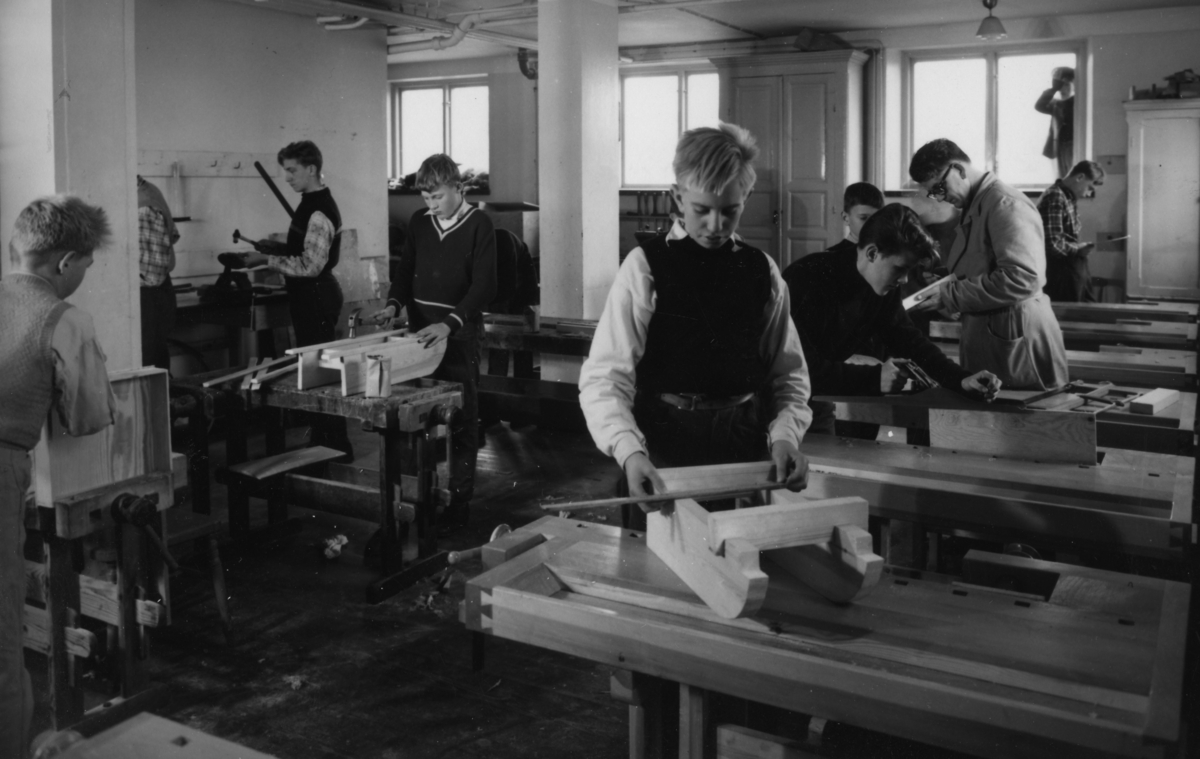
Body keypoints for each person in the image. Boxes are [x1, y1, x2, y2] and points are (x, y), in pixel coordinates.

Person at [578, 123, 812, 513]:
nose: (716, 226)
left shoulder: (762, 270)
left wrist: (786, 437)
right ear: (678, 197)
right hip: (662, 446)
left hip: (743, 444)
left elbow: (787, 375)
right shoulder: (644, 267)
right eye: (702, 210)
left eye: (730, 210)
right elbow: (606, 377)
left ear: (746, 197)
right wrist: (629, 451)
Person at [1, 196, 116, 759]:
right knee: (3, 648)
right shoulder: (64, 319)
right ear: (66, 262)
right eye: (86, 266)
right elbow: (88, 417)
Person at [784, 203, 1001, 436]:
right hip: (777, 403)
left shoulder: (882, 286)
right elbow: (798, 369)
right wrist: (874, 378)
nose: (905, 280)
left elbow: (910, 342)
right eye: (899, 268)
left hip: (815, 398)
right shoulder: (807, 278)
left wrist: (962, 379)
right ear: (872, 254)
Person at [381, 154, 497, 532]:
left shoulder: (479, 224)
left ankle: (459, 501)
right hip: (421, 334)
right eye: (426, 198)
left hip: (459, 334)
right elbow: (405, 270)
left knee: (461, 418)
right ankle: (415, 499)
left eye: (438, 197)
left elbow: (484, 286)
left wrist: (450, 324)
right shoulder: (420, 221)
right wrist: (394, 304)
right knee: (415, 416)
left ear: (458, 188)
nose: (431, 205)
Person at [222, 140, 352, 458]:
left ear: (312, 169)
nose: (288, 177)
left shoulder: (318, 210)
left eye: (293, 170)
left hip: (317, 297)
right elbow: (303, 251)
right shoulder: (309, 203)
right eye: (286, 171)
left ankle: (335, 446)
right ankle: (324, 442)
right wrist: (274, 248)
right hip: (308, 298)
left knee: (321, 376)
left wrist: (264, 261)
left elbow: (310, 266)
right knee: (315, 372)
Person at [909, 139, 1068, 391]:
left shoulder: (1005, 204)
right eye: (933, 193)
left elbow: (1023, 278)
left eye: (940, 187)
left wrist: (950, 294)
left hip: (1016, 339)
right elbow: (984, 264)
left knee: (1021, 413)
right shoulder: (978, 203)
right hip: (995, 334)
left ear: (958, 169)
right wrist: (945, 278)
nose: (940, 198)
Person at [1039, 160, 1105, 303]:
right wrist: (1078, 249)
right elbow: (1052, 245)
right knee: (1072, 312)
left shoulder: (1067, 197)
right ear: (1080, 177)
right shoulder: (1055, 196)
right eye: (1089, 188)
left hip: (1072, 266)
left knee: (1087, 309)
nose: (1087, 194)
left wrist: (1079, 248)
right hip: (1061, 271)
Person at [137, 176, 179, 372]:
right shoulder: (146, 192)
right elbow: (173, 235)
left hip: (149, 298)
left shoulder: (144, 206)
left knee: (149, 372)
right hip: (149, 297)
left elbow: (151, 276)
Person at [1036, 67, 1075, 179]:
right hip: (1058, 146)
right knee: (1061, 178)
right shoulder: (1055, 103)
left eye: (1066, 84)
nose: (1063, 88)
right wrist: (1053, 89)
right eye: (1060, 84)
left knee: (1072, 176)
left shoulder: (1078, 101)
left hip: (1073, 146)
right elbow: (1039, 106)